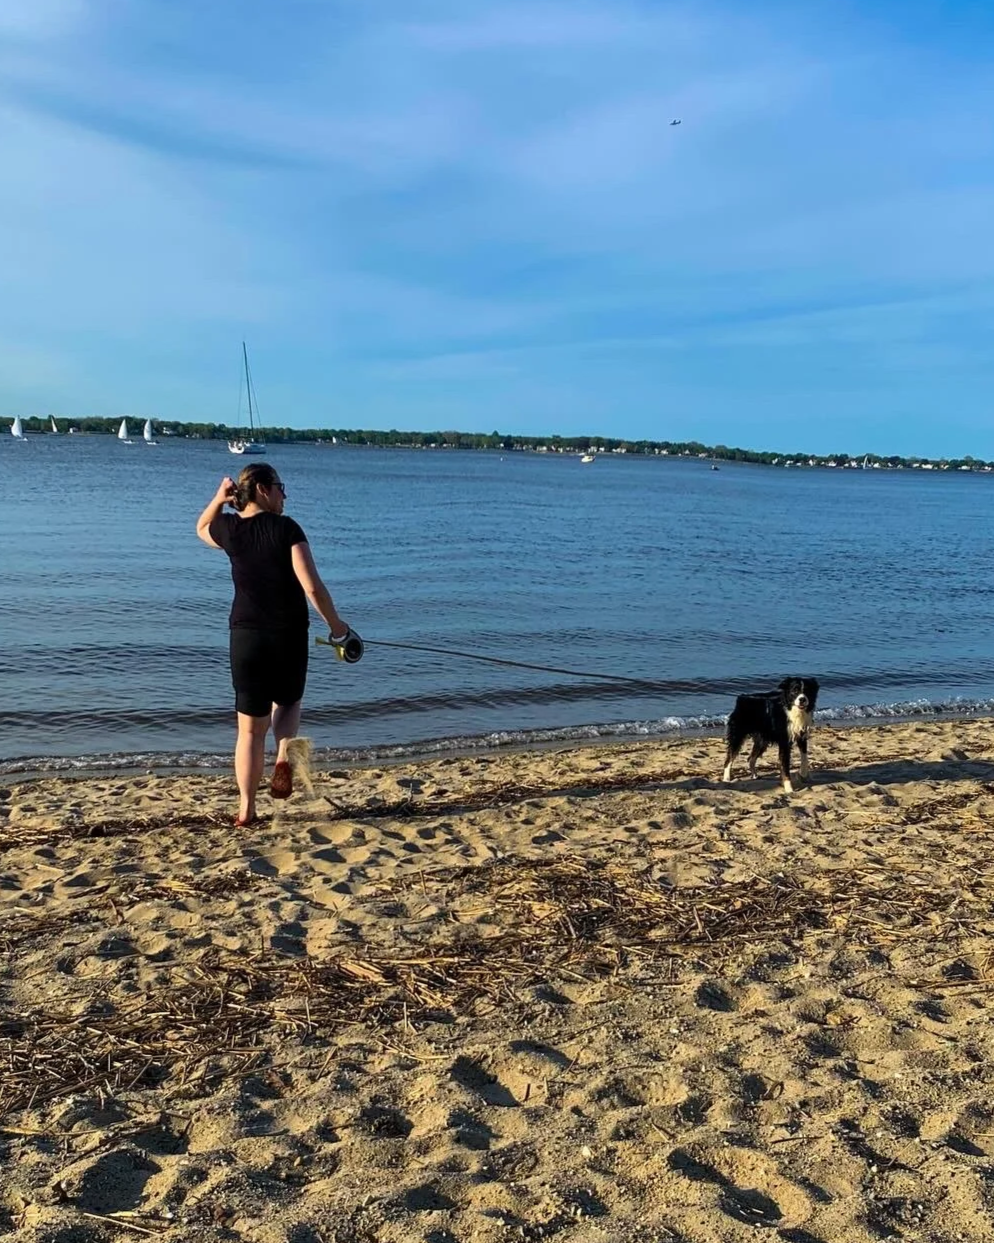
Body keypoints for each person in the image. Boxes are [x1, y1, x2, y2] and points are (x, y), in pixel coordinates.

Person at [196, 463, 351, 825]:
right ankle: (283, 751)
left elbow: (201, 527)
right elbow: (312, 586)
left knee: (249, 730)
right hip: (288, 635)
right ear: (264, 489)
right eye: (281, 487)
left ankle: (246, 811)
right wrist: (337, 627)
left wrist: (219, 499)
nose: (285, 495)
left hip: (245, 636)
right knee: (289, 701)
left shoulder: (231, 530)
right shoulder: (287, 529)